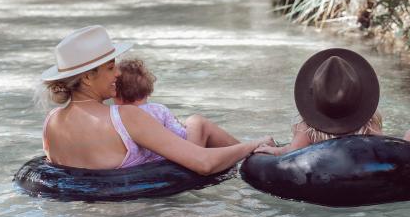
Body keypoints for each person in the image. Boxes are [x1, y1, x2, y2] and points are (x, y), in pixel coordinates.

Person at [39, 25, 272, 174]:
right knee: (199, 123)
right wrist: (251, 145)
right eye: (111, 68)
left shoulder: (51, 123)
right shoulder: (125, 116)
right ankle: (265, 155)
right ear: (88, 77)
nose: (118, 74)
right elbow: (203, 163)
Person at [254, 47, 410, 157]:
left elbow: (291, 152)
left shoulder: (307, 128)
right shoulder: (368, 124)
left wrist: (272, 151)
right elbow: (396, 150)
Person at [113, 57, 241, 158]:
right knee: (196, 121)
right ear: (148, 90)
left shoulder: (115, 115)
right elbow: (179, 134)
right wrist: (181, 125)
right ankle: (244, 151)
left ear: (115, 93)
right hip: (180, 156)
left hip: (150, 159)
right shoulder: (158, 110)